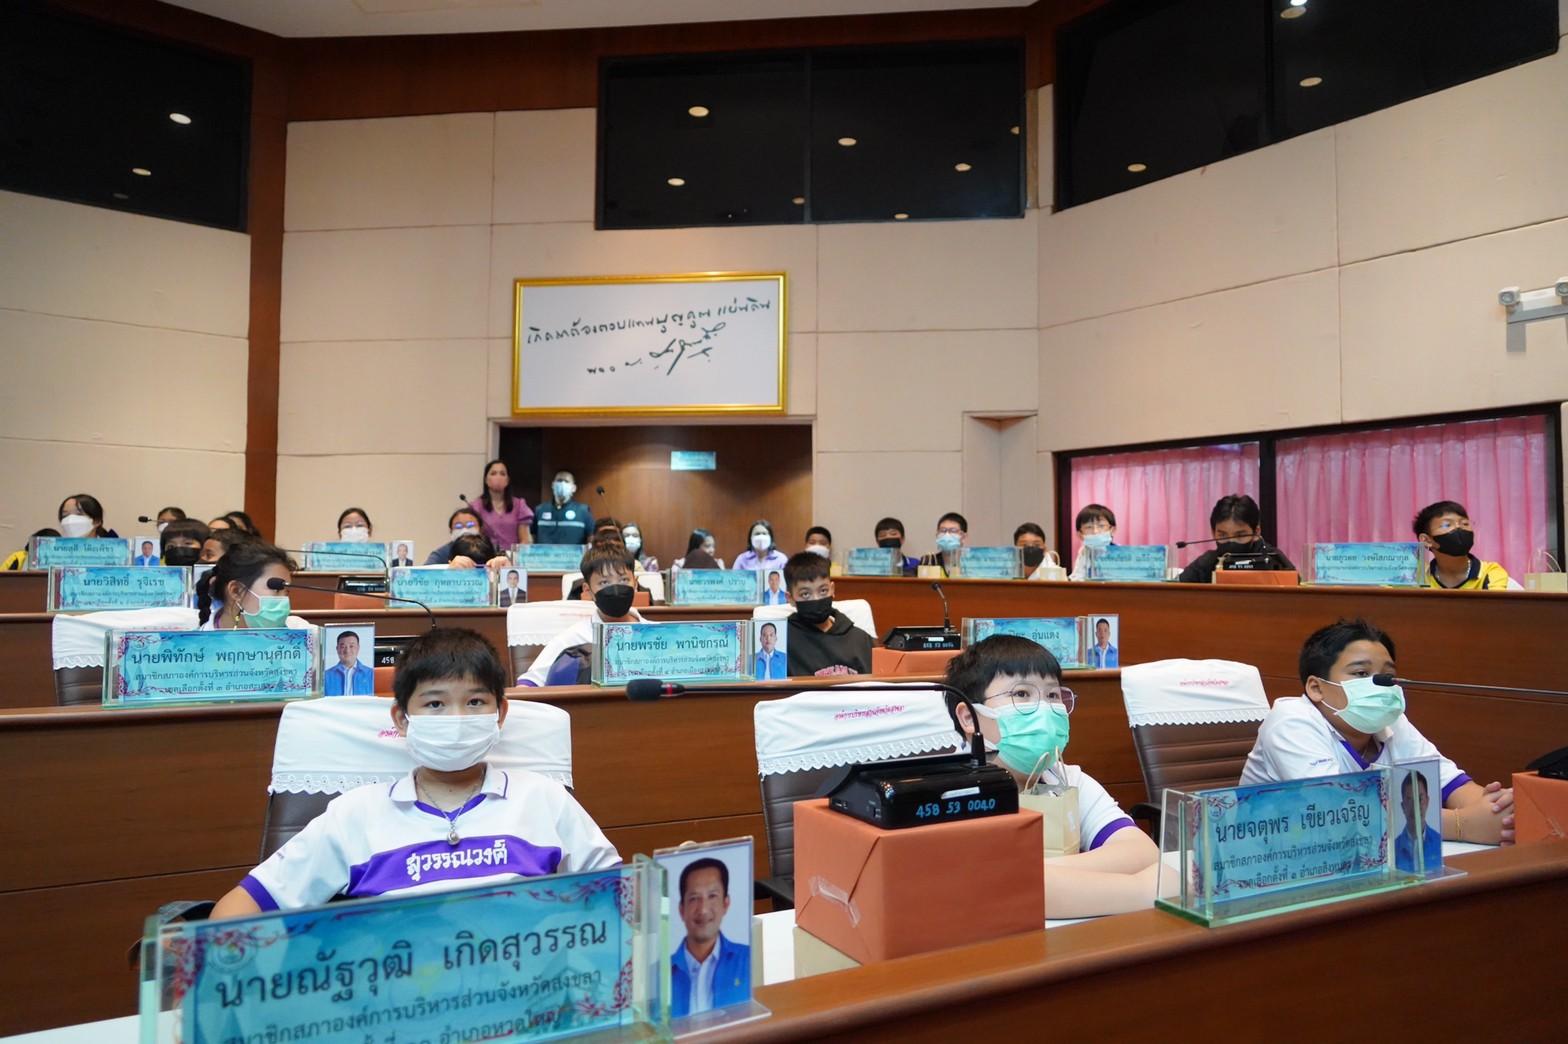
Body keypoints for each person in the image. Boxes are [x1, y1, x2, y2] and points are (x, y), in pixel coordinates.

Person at [209, 628, 620, 918]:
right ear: (402, 720)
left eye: (475, 702)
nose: (456, 719)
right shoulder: (355, 814)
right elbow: (242, 908)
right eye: (435, 704)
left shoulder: (544, 798)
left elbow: (622, 895)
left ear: (500, 713)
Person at [1240, 618, 1515, 845]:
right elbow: (1342, 812)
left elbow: (1450, 785)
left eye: (1386, 675)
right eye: (1361, 674)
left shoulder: (1390, 722)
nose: (1379, 686)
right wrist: (1461, 824)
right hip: (1268, 859)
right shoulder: (1290, 720)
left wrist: (1499, 810)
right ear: (1316, 688)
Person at [945, 636, 1160, 917]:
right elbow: (985, 892)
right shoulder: (950, 794)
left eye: (1053, 695)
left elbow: (1142, 852)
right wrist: (1144, 890)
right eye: (1022, 694)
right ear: (969, 717)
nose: (1045, 708)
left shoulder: (1068, 779)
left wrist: (1028, 874)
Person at [519, 545, 646, 687]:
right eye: (604, 582)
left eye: (623, 580)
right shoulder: (574, 637)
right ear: (588, 590)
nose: (616, 589)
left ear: (635, 583)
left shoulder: (658, 634)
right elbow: (529, 682)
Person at [669, 857, 751, 1017]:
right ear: (681, 909)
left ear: (726, 904)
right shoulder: (658, 973)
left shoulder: (748, 959)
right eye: (694, 898)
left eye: (712, 896)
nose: (703, 909)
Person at [784, 550, 872, 676]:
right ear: (790, 598)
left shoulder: (860, 639)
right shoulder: (780, 640)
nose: (816, 599)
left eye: (823, 591)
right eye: (805, 594)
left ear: (832, 589)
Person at [1176, 494, 1294, 583]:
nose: (1231, 542)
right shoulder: (1207, 562)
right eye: (1223, 535)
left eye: (1240, 535)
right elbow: (1175, 591)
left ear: (1256, 532)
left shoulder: (1274, 559)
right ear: (1213, 532)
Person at [196, 541, 309, 631]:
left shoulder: (302, 633)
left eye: (286, 592)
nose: (284, 600)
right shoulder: (195, 646)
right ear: (236, 591)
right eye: (276, 589)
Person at [1414, 500, 1511, 590]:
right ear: (1426, 540)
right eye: (1447, 525)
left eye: (1465, 524)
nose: (1458, 527)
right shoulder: (1417, 577)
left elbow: (1494, 602)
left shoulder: (1490, 572)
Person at [470, 458, 534, 551]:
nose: (498, 477)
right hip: (486, 556)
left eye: (502, 474)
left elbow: (525, 540)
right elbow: (473, 541)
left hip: (513, 557)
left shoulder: (520, 505)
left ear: (507, 480)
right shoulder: (475, 507)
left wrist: (512, 556)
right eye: (493, 473)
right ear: (486, 480)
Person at [1396, 770, 1444, 874]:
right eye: (1410, 800)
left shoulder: (1438, 841)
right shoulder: (1393, 848)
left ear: (1427, 801)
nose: (1415, 807)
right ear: (1403, 806)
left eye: (1420, 799)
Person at [531, 470, 593, 544]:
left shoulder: (583, 511)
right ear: (553, 485)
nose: (562, 484)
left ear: (574, 488)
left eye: (566, 481)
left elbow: (591, 536)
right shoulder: (540, 510)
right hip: (544, 551)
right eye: (559, 481)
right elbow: (532, 535)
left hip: (573, 551)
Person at [1069, 504, 1116, 581]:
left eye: (1101, 526)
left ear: (1112, 530)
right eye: (1089, 527)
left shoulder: (1121, 553)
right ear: (1080, 534)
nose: (1095, 531)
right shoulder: (1084, 552)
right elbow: (1077, 578)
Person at [324, 630, 375, 696]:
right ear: (337, 649)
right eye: (343, 647)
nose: (347, 651)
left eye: (351, 646)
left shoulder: (371, 674)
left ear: (358, 648)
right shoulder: (325, 676)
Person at [918, 512, 968, 577]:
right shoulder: (929, 561)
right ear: (937, 535)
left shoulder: (972, 563)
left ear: (963, 537)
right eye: (943, 530)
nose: (947, 535)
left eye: (953, 531)